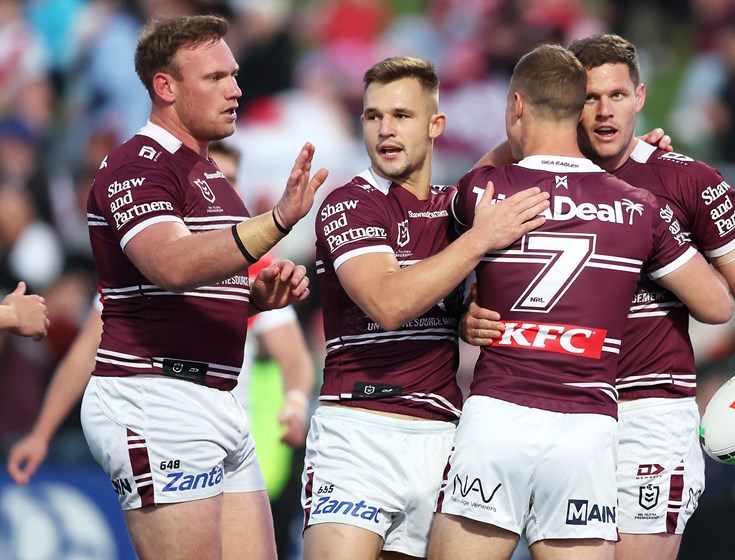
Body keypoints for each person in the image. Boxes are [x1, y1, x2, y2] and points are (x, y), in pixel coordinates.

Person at [460, 34, 735, 560]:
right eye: (588, 98)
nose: (605, 112)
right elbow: (474, 213)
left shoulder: (688, 180)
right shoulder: (529, 183)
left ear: (641, 97)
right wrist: (470, 316)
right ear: (566, 105)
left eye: (617, 96)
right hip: (560, 410)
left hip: (649, 414)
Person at [427, 43, 733, 560]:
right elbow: (717, 306)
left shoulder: (484, 189)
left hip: (500, 416)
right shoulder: (640, 207)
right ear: (579, 112)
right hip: (587, 430)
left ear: (517, 107)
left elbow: (431, 248)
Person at [79, 15, 328, 560]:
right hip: (155, 395)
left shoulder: (210, 174)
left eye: (234, 74)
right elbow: (168, 263)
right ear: (165, 87)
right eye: (216, 77)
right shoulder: (135, 165)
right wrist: (279, 220)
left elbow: (198, 283)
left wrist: (256, 297)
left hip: (218, 399)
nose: (236, 89)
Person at [303, 55, 551, 560]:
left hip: (443, 437)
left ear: (436, 124)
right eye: (373, 116)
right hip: (358, 430)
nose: (385, 131)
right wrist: (480, 240)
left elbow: (539, 140)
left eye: (402, 115)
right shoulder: (350, 202)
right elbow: (388, 303)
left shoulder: (456, 205)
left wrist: (636, 152)